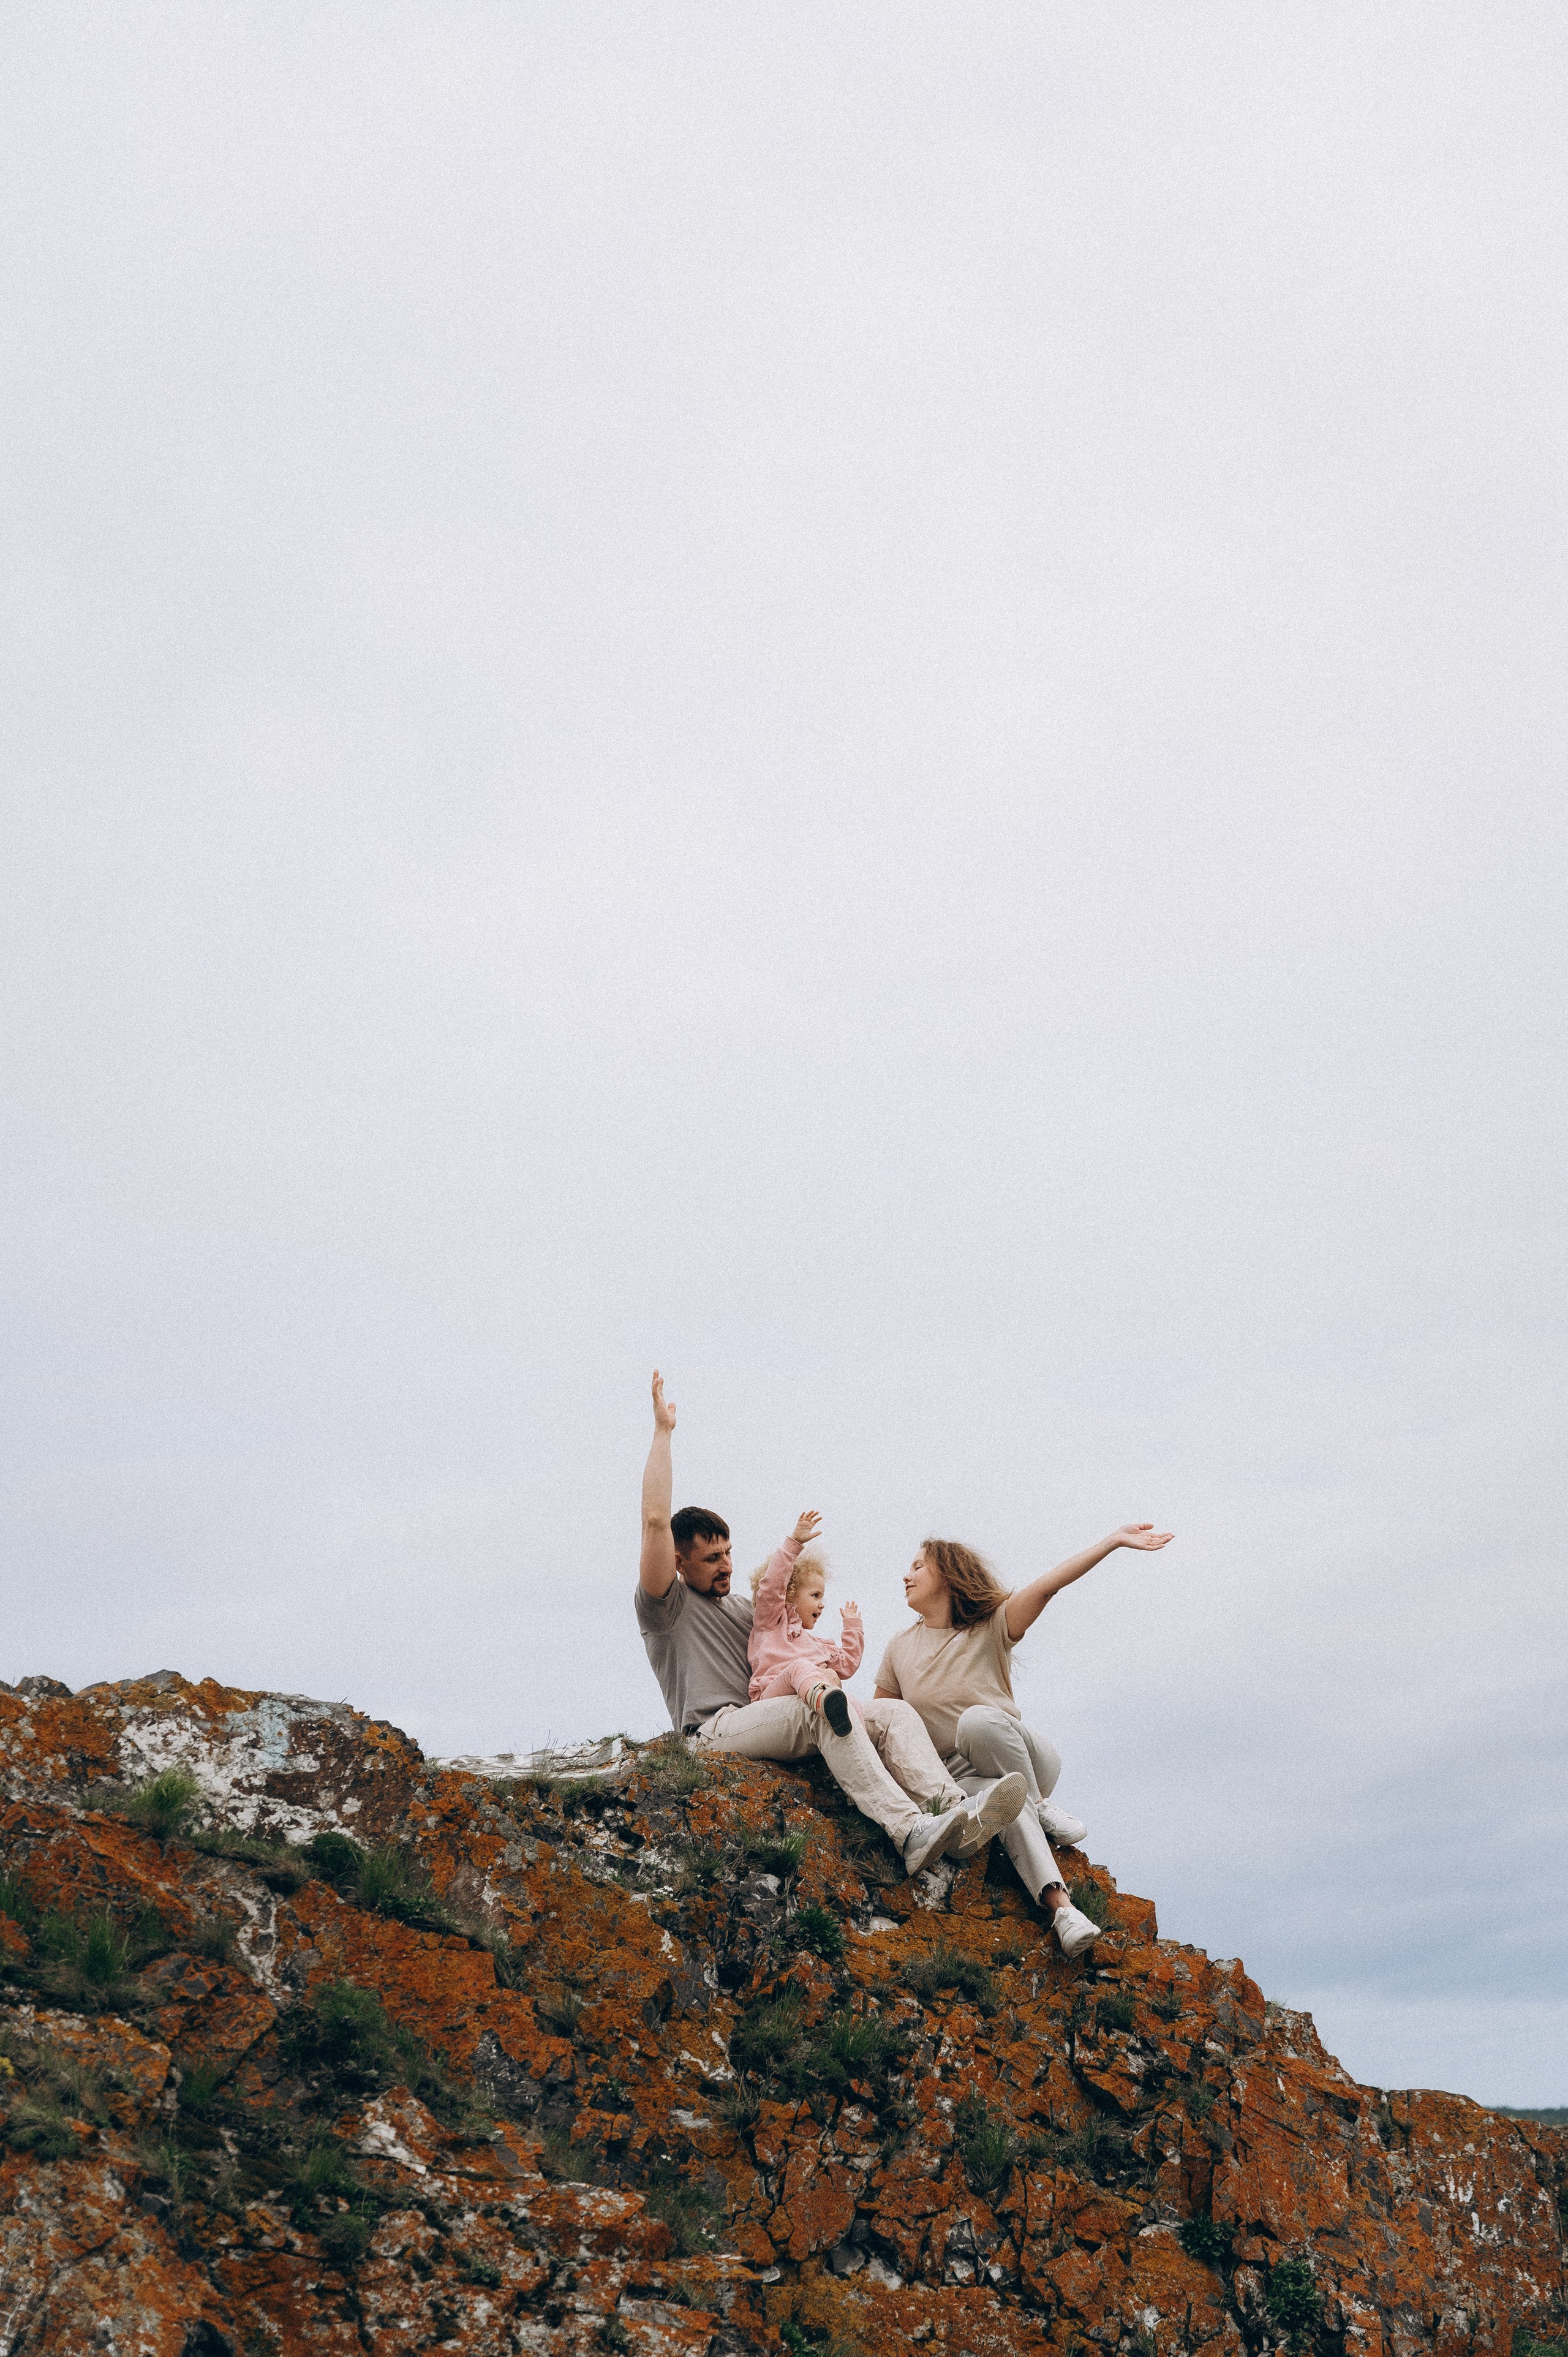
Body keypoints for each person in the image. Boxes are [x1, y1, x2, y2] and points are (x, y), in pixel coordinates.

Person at [634, 1372, 1026, 1876]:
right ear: (680, 1563)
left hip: (767, 1713)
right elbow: (653, 1520)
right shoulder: (666, 1607)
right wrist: (664, 1433)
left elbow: (797, 1624)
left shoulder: (750, 1612)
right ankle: (907, 1829)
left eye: (729, 1553)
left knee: (895, 1716)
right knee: (817, 1710)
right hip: (714, 1731)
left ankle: (954, 1809)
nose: (727, 1566)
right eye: (712, 1559)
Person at [873, 1525, 1174, 1958]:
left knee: (976, 1723)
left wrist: (1113, 1541)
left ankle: (1039, 1803)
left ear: (947, 1575)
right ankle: (1064, 1912)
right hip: (961, 1778)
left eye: (918, 1566)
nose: (907, 1575)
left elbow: (1051, 1584)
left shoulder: (991, 1625)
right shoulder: (899, 1648)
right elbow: (885, 1721)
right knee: (1004, 1801)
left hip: (1021, 1752)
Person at [747, 1510, 862, 1734]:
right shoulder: (772, 1623)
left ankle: (860, 1736)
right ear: (789, 1593)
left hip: (809, 1698)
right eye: (815, 1596)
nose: (822, 1604)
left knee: (842, 1689)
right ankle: (825, 1700)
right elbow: (771, 1588)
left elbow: (847, 1664)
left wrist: (853, 1627)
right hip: (773, 1696)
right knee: (802, 1668)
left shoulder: (817, 1645)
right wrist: (794, 1544)